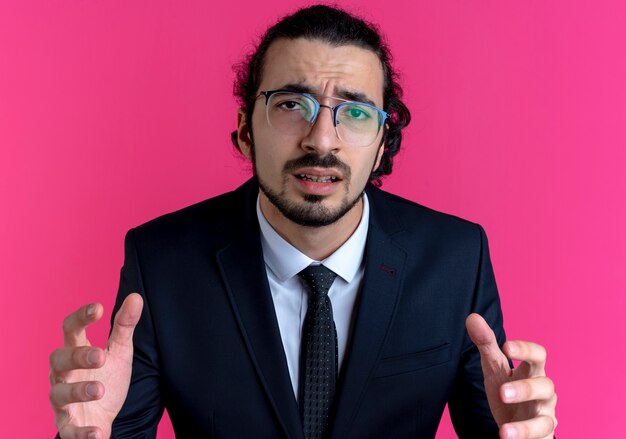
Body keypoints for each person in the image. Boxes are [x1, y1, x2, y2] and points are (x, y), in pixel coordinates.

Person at [49, 5, 557, 439]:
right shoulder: (161, 261)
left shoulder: (456, 258)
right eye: (292, 104)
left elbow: (500, 419)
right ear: (246, 131)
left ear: (382, 145)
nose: (322, 140)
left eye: (355, 112)